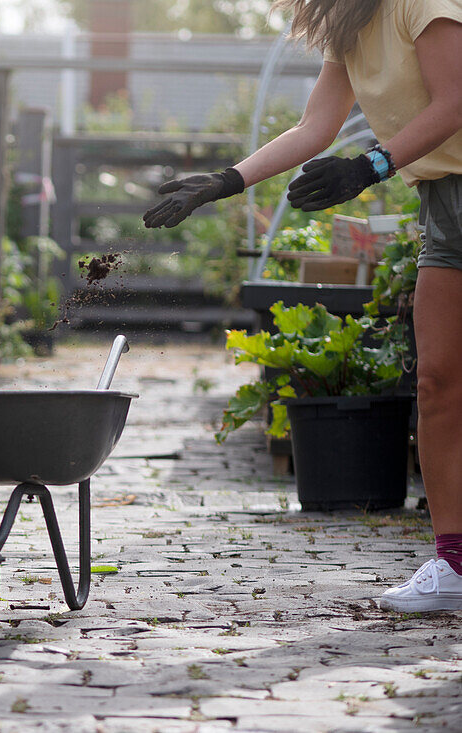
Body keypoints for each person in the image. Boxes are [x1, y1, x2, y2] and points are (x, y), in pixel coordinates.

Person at [144, 0, 462, 612]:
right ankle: (455, 563)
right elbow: (315, 127)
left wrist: (374, 163)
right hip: (444, 209)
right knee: (438, 381)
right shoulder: (350, 27)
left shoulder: (423, 4)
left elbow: (455, 99)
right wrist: (225, 181)